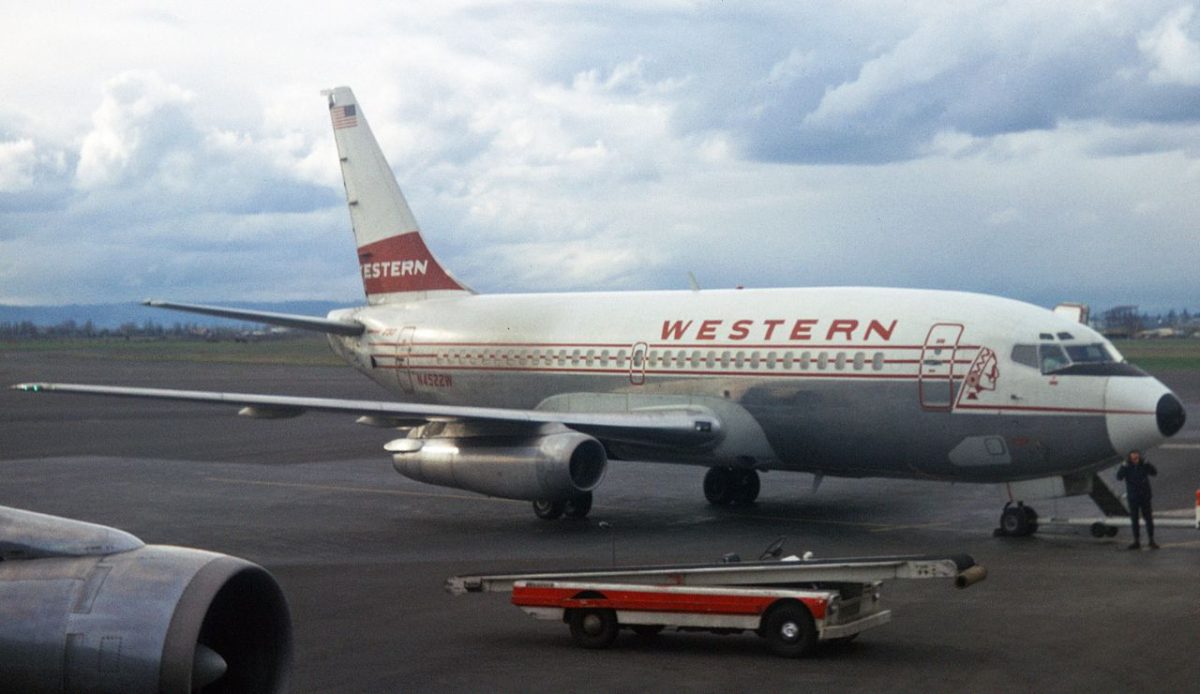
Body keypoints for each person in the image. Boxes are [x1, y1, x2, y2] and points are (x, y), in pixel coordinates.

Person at [1116, 450, 1158, 550]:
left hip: (1144, 496)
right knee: (1134, 520)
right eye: (1133, 456)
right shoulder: (1127, 467)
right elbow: (1119, 477)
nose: (1135, 458)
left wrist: (1148, 464)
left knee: (1148, 519)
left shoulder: (1143, 465)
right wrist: (1123, 466)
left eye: (1136, 456)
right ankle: (1136, 540)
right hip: (1133, 497)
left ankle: (1151, 540)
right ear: (1130, 457)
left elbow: (1154, 472)